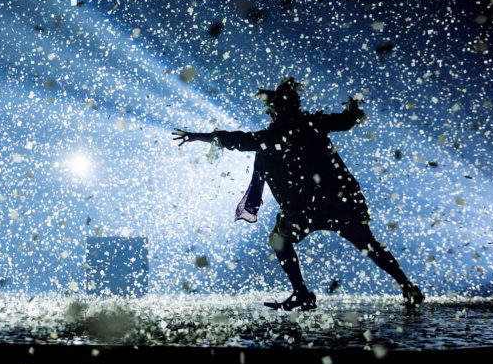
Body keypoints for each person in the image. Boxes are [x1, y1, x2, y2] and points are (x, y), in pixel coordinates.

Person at [173, 77, 423, 311]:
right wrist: (352, 108)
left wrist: (196, 136)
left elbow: (236, 140)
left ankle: (302, 293)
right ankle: (407, 286)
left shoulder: (273, 136)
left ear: (275, 111)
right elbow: (346, 122)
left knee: (280, 240)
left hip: (307, 207)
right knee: (367, 243)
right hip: (337, 202)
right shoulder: (312, 124)